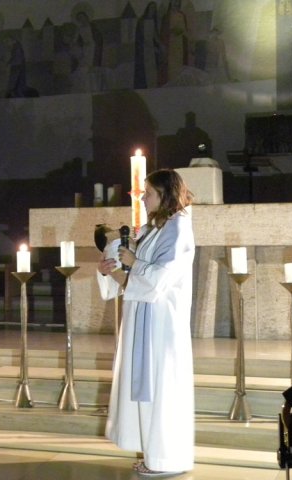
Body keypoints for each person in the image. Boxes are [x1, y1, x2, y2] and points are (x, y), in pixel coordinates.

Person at [97, 168, 195, 476]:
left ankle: (168, 459)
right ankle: (154, 455)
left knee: (162, 388)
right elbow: (134, 280)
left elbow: (159, 278)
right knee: (148, 389)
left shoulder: (178, 228)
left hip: (162, 324)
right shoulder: (156, 228)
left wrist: (133, 262)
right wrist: (109, 269)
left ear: (165, 194)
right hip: (144, 318)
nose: (143, 197)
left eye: (148, 193)